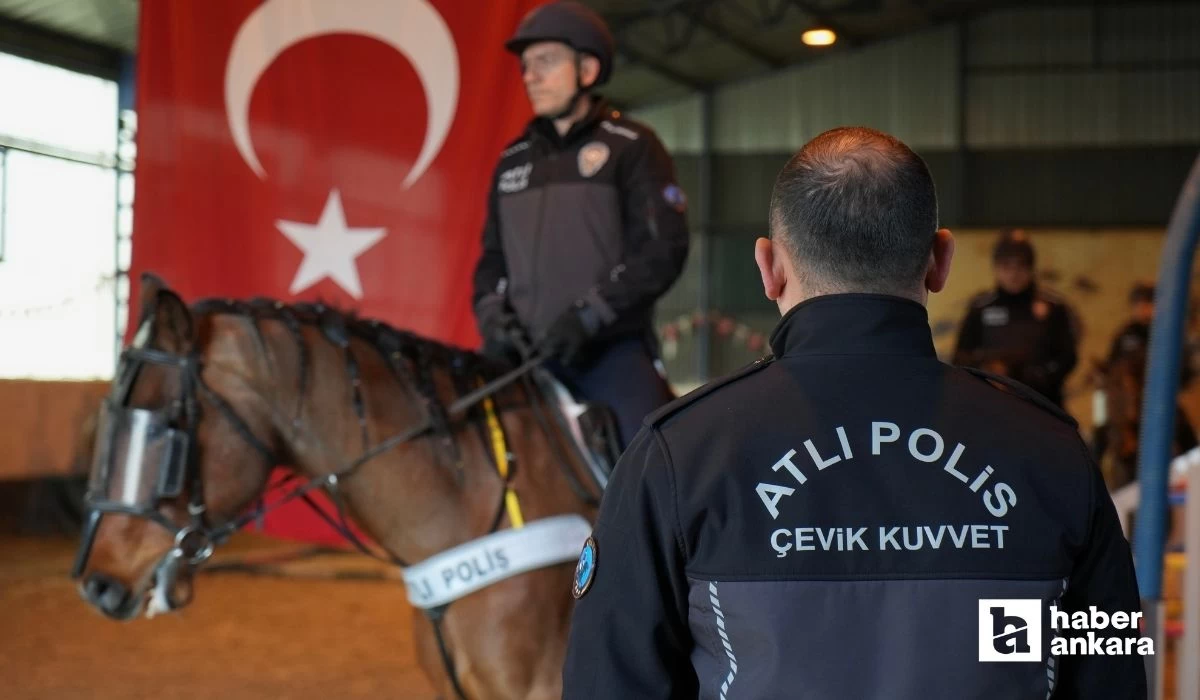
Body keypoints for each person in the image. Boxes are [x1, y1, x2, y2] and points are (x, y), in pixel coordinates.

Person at [562, 127, 1145, 698]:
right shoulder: (1051, 451)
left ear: (770, 268)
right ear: (940, 261)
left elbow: (607, 682)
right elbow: (1109, 673)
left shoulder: (677, 455)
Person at [472, 1, 688, 448]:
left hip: (609, 355)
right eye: (526, 66)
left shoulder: (633, 147)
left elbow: (661, 250)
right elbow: (492, 261)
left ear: (587, 70)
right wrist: (496, 321)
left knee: (656, 456)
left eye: (545, 62)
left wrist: (588, 317)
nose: (530, 76)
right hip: (522, 358)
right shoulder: (510, 161)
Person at [952, 229, 1080, 408]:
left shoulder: (1054, 308)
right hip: (990, 405)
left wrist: (1042, 376)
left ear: (1031, 267)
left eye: (1020, 266)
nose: (1013, 273)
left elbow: (1068, 357)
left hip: (1043, 405)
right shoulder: (981, 308)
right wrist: (987, 372)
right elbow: (960, 357)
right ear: (996, 268)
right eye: (1006, 266)